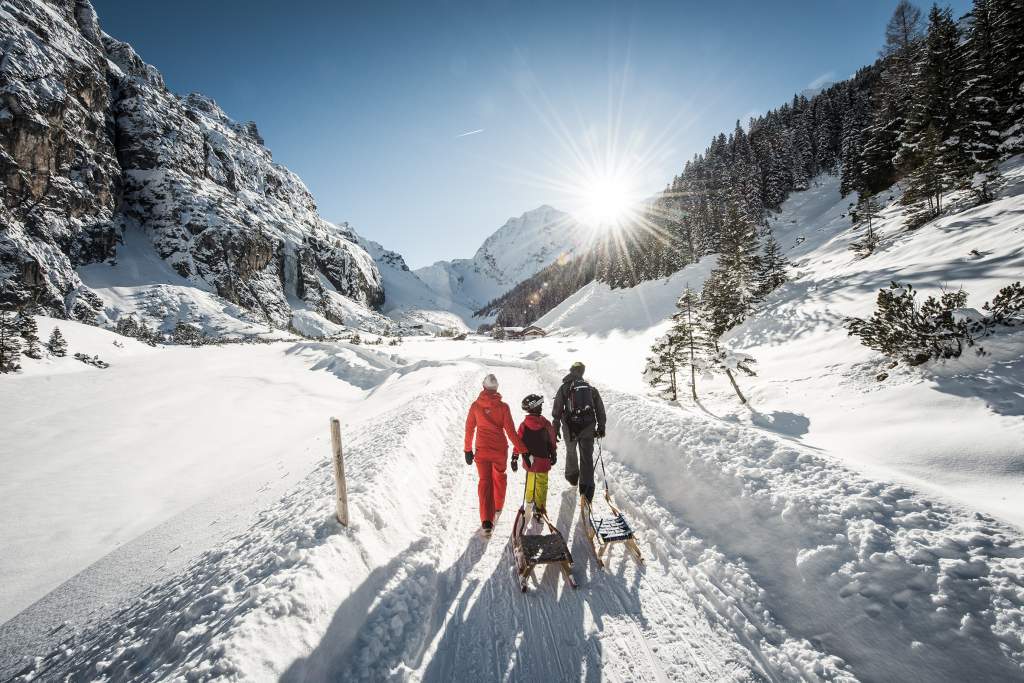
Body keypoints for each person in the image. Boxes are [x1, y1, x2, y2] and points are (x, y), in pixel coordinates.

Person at [465, 373, 527, 535]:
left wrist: (467, 449)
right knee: (499, 477)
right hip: (499, 450)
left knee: (485, 481)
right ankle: (498, 507)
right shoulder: (503, 407)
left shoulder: (475, 406)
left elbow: (469, 428)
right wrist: (524, 451)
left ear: (484, 387)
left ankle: (487, 520)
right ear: (496, 388)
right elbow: (511, 432)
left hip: (482, 450)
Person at [551, 361, 606, 502]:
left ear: (571, 371)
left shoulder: (564, 387)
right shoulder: (590, 388)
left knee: (571, 451)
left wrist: (555, 427)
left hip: (570, 427)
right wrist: (601, 427)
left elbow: (557, 410)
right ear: (582, 372)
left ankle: (572, 476)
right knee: (586, 457)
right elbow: (600, 409)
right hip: (588, 426)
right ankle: (587, 491)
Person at [514, 394, 558, 521]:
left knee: (530, 481)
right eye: (540, 405)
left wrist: (515, 456)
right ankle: (540, 508)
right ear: (535, 408)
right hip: (543, 461)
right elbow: (552, 441)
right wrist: (553, 453)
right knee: (542, 485)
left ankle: (528, 502)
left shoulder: (524, 425)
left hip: (530, 463)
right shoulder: (546, 424)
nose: (542, 407)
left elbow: (518, 442)